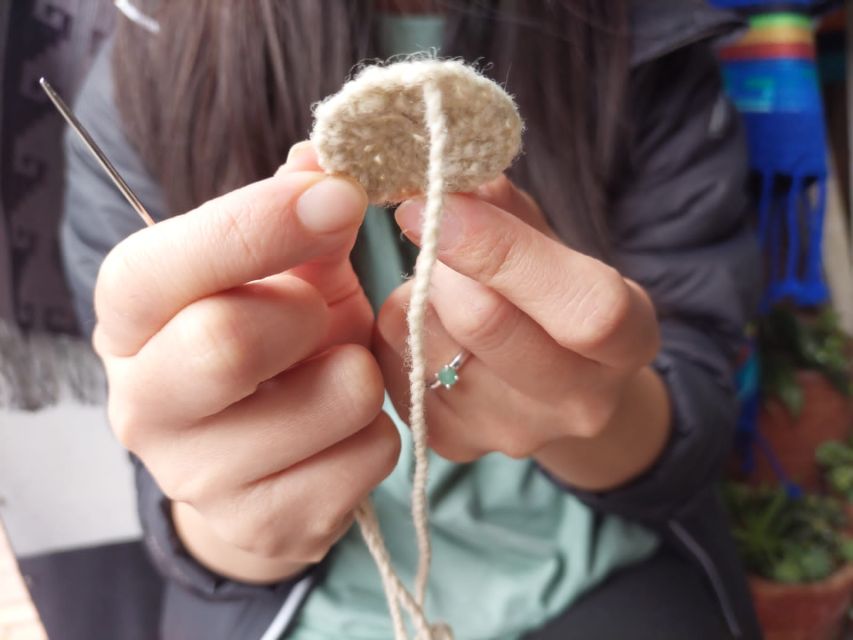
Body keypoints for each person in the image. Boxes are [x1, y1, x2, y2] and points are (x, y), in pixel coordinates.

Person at [60, 1, 763, 638]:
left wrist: (599, 404)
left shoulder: (639, 38)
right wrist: (236, 514)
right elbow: (179, 497)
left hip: (605, 558)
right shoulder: (144, 75)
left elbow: (694, 393)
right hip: (298, 605)